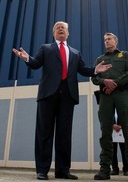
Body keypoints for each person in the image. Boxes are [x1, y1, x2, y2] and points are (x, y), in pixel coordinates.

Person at [12, 21, 112, 180]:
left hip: (67, 96)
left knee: (64, 134)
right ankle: (42, 170)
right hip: (48, 95)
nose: (60, 29)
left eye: (63, 28)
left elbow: (83, 70)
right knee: (44, 133)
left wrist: (95, 70)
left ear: (68, 33)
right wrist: (27, 58)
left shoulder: (75, 52)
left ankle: (63, 170)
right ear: (54, 33)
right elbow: (36, 64)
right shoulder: (46, 48)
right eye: (57, 28)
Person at [91, 32, 128, 181]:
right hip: (105, 96)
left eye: (109, 39)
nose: (106, 41)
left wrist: (114, 83)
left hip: (122, 93)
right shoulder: (100, 59)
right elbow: (94, 77)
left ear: (115, 41)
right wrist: (104, 82)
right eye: (104, 40)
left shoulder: (125, 55)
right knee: (105, 131)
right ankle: (104, 169)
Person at [111, 112, 128, 176]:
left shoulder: (122, 107)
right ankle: (115, 169)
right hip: (112, 131)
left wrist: (121, 126)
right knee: (113, 151)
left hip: (122, 131)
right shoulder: (110, 108)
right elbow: (105, 118)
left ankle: (126, 169)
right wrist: (112, 125)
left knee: (124, 150)